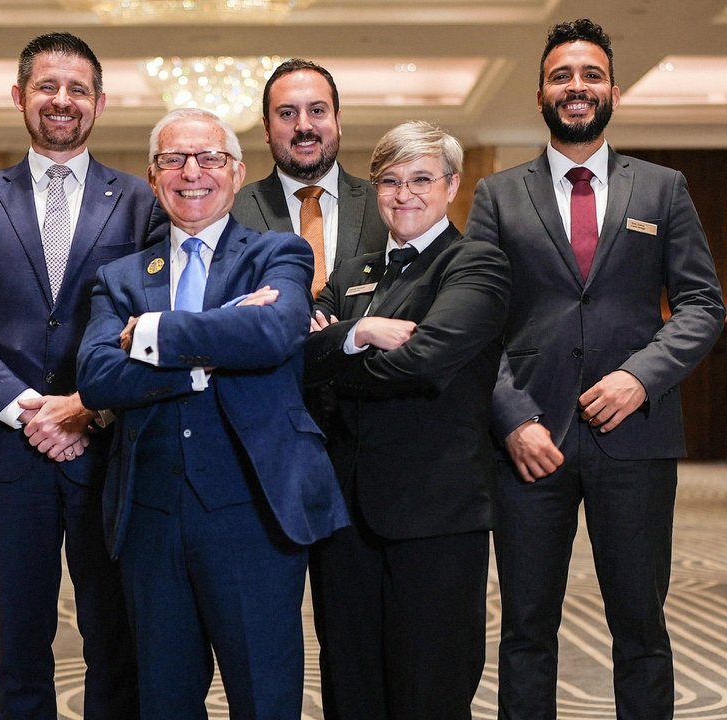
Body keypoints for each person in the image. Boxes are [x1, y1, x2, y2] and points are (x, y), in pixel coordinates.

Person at [467, 18, 725, 720]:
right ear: (540, 94)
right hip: (529, 443)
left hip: (636, 439)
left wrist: (642, 376)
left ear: (614, 90)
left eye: (590, 75)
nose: (576, 86)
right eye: (561, 76)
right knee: (526, 632)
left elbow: (703, 305)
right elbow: (476, 324)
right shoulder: (497, 195)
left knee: (641, 628)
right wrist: (512, 419)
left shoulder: (664, 189)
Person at [76, 107, 347, 719]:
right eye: (173, 160)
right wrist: (211, 351)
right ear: (153, 176)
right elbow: (96, 377)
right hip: (150, 518)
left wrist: (152, 333)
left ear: (237, 171)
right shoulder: (120, 277)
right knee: (163, 702)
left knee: (265, 699)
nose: (191, 172)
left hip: (255, 513)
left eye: (209, 158)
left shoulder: (279, 253)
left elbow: (273, 334)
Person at [0, 31, 162, 720]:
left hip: (108, 450)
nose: (63, 100)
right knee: (19, 643)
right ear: (19, 97)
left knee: (114, 639)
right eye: (47, 87)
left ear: (100, 103)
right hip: (5, 452)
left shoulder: (141, 203)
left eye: (78, 89)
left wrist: (86, 406)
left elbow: (148, 324)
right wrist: (31, 408)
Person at [305, 120, 511, 719]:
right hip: (344, 516)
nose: (404, 194)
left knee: (429, 693)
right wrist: (362, 334)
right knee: (350, 689)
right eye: (390, 181)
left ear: (452, 185)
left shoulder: (475, 264)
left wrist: (336, 351)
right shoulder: (352, 273)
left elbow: (422, 363)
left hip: (434, 515)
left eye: (421, 179)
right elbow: (297, 358)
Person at [232, 58, 388, 298]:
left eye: (317, 111)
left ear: (337, 121)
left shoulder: (385, 205)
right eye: (287, 113)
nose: (303, 126)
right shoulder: (233, 213)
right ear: (267, 128)